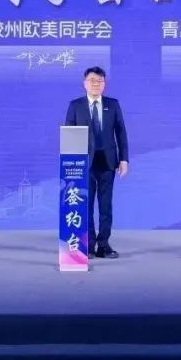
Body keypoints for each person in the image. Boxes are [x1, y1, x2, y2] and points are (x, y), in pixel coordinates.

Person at [64, 66, 129, 259]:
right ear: (85, 83)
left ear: (104, 84)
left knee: (105, 206)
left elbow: (121, 133)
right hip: (84, 163)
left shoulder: (113, 104)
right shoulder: (75, 105)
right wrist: (71, 163)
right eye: (92, 80)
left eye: (100, 81)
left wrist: (124, 159)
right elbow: (69, 134)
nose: (96, 84)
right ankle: (89, 245)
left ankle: (104, 245)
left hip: (108, 162)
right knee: (85, 205)